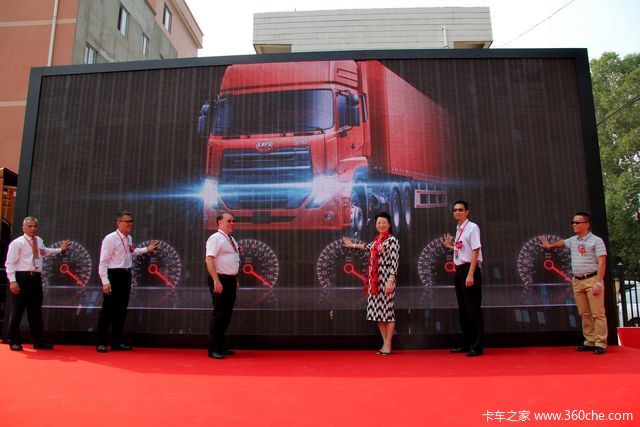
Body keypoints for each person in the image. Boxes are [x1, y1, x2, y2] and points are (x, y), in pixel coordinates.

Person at [539, 212, 608, 354]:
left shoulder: (596, 241)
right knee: (584, 313)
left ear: (587, 224)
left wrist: (599, 282)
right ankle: (589, 341)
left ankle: (600, 343)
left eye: (577, 222)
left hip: (592, 279)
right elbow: (561, 243)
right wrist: (549, 246)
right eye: (573, 222)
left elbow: (602, 263)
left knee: (597, 313)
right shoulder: (573, 240)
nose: (574, 225)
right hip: (577, 280)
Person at [96, 211, 158, 353]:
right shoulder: (110, 239)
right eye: (127, 221)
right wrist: (105, 282)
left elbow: (132, 251)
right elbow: (103, 262)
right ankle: (101, 342)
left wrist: (147, 249)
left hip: (125, 275)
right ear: (118, 222)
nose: (130, 224)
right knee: (108, 310)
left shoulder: (128, 238)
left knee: (121, 310)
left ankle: (116, 342)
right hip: (113, 275)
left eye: (131, 221)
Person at [5, 216, 70, 351]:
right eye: (30, 226)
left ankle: (39, 341)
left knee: (35, 311)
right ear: (23, 228)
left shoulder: (39, 240)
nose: (33, 228)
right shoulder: (17, 243)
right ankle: (13, 341)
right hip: (22, 278)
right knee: (17, 311)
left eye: (35, 226)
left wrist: (60, 250)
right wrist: (13, 281)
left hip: (35, 279)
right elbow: (10, 264)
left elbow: (45, 251)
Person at [343, 212, 399, 355]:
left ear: (389, 225)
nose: (381, 225)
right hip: (374, 281)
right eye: (379, 223)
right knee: (378, 314)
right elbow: (366, 246)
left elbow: (394, 262)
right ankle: (385, 343)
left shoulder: (392, 241)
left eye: (384, 222)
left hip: (386, 279)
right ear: (375, 225)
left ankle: (388, 344)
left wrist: (390, 280)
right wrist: (352, 245)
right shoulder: (376, 241)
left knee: (388, 313)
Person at [441, 200, 484, 357]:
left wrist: (471, 274)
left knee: (472, 309)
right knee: (463, 309)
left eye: (460, 210)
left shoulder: (472, 227)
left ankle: (476, 346)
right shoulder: (459, 229)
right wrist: (450, 246)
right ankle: (466, 343)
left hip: (469, 269)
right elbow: (463, 249)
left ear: (467, 212)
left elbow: (475, 250)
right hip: (459, 270)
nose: (457, 212)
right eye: (455, 210)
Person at [205, 212, 240, 359]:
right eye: (228, 221)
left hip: (230, 280)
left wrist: (235, 278)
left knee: (227, 314)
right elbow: (209, 260)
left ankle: (220, 346)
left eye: (233, 221)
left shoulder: (231, 239)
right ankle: (213, 348)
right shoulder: (215, 238)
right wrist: (216, 280)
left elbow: (233, 260)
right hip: (220, 280)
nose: (232, 223)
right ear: (219, 222)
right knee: (219, 314)